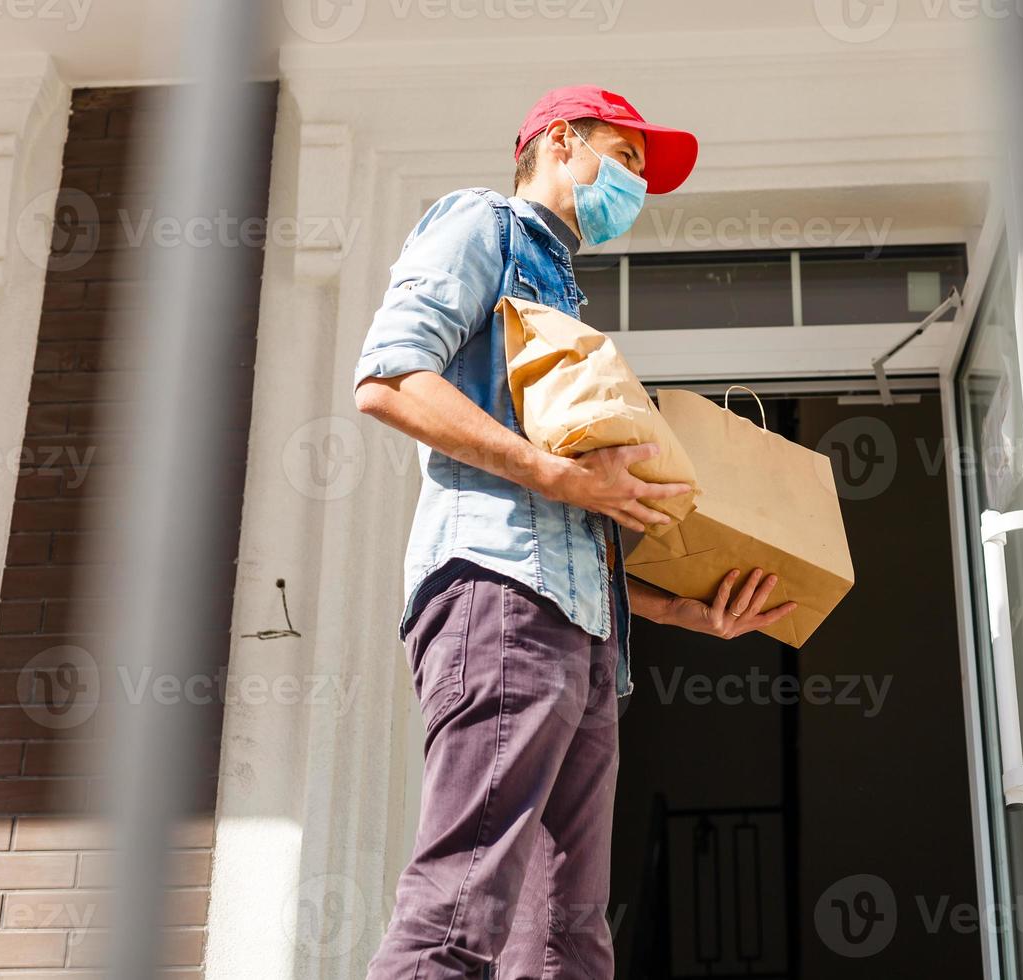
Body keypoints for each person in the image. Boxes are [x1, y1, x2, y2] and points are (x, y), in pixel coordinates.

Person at [353, 85, 797, 979]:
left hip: (585, 643)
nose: (633, 184)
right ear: (560, 139)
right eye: (624, 157)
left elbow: (577, 531)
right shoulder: (484, 225)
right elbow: (390, 378)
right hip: (501, 599)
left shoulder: (567, 296)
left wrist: (684, 611)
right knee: (460, 907)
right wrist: (555, 472)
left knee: (566, 939)